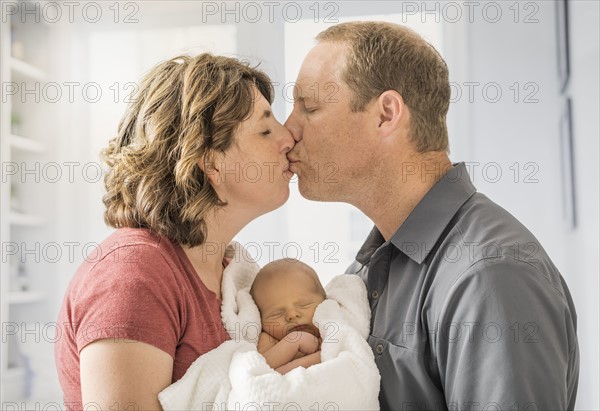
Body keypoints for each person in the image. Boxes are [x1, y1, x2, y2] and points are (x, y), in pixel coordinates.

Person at [284, 21, 579, 410]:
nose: (289, 129)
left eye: (310, 107)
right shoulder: (366, 272)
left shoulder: (489, 274)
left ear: (386, 114)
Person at [55, 53, 295, 411]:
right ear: (211, 163)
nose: (288, 138)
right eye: (265, 130)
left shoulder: (231, 271)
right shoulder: (133, 273)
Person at [249, 258, 325, 374]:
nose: (292, 315)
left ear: (324, 301)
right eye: (276, 314)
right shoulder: (268, 341)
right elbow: (262, 372)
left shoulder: (330, 329)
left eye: (304, 305)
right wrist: (293, 343)